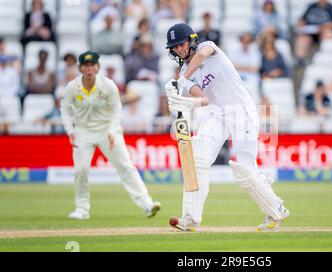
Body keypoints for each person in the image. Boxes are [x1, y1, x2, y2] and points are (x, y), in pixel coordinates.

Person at [164, 23, 289, 232]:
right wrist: (182, 101)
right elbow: (202, 99)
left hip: (241, 111)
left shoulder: (208, 47)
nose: (179, 49)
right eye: (175, 47)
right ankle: (191, 219)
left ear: (192, 40)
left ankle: (276, 210)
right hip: (215, 113)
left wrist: (181, 80)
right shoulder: (185, 72)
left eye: (182, 44)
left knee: (245, 171)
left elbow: (202, 54)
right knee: (199, 160)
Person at [60, 51, 161, 220]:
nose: (89, 69)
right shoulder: (72, 87)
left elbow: (116, 109)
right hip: (82, 132)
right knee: (81, 170)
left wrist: (112, 131)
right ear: (80, 68)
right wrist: (70, 131)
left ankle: (147, 204)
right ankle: (81, 209)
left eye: (92, 65)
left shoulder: (107, 85)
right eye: (86, 65)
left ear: (98, 67)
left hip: (107, 131)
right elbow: (65, 109)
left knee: (126, 167)